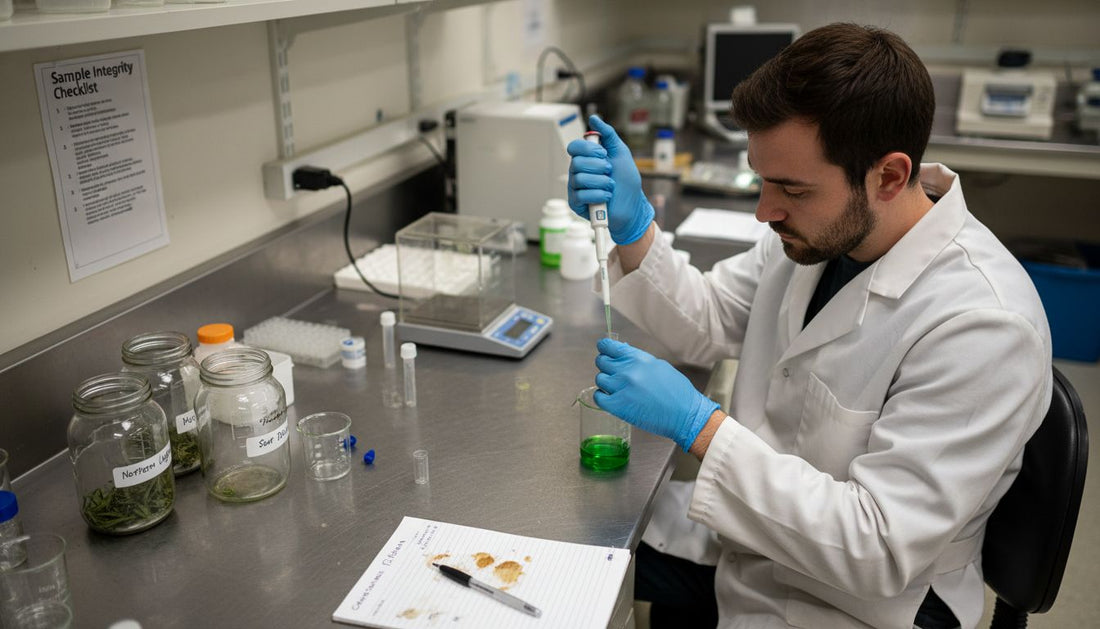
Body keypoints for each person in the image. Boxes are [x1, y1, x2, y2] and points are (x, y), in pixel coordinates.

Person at [566, 23, 1051, 629]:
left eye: (791, 189)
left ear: (890, 176)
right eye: (762, 179)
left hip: (862, 602)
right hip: (761, 544)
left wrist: (701, 427)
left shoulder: (983, 325)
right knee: (577, 563)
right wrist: (635, 227)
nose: (766, 211)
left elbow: (878, 546)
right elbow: (712, 318)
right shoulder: (818, 234)